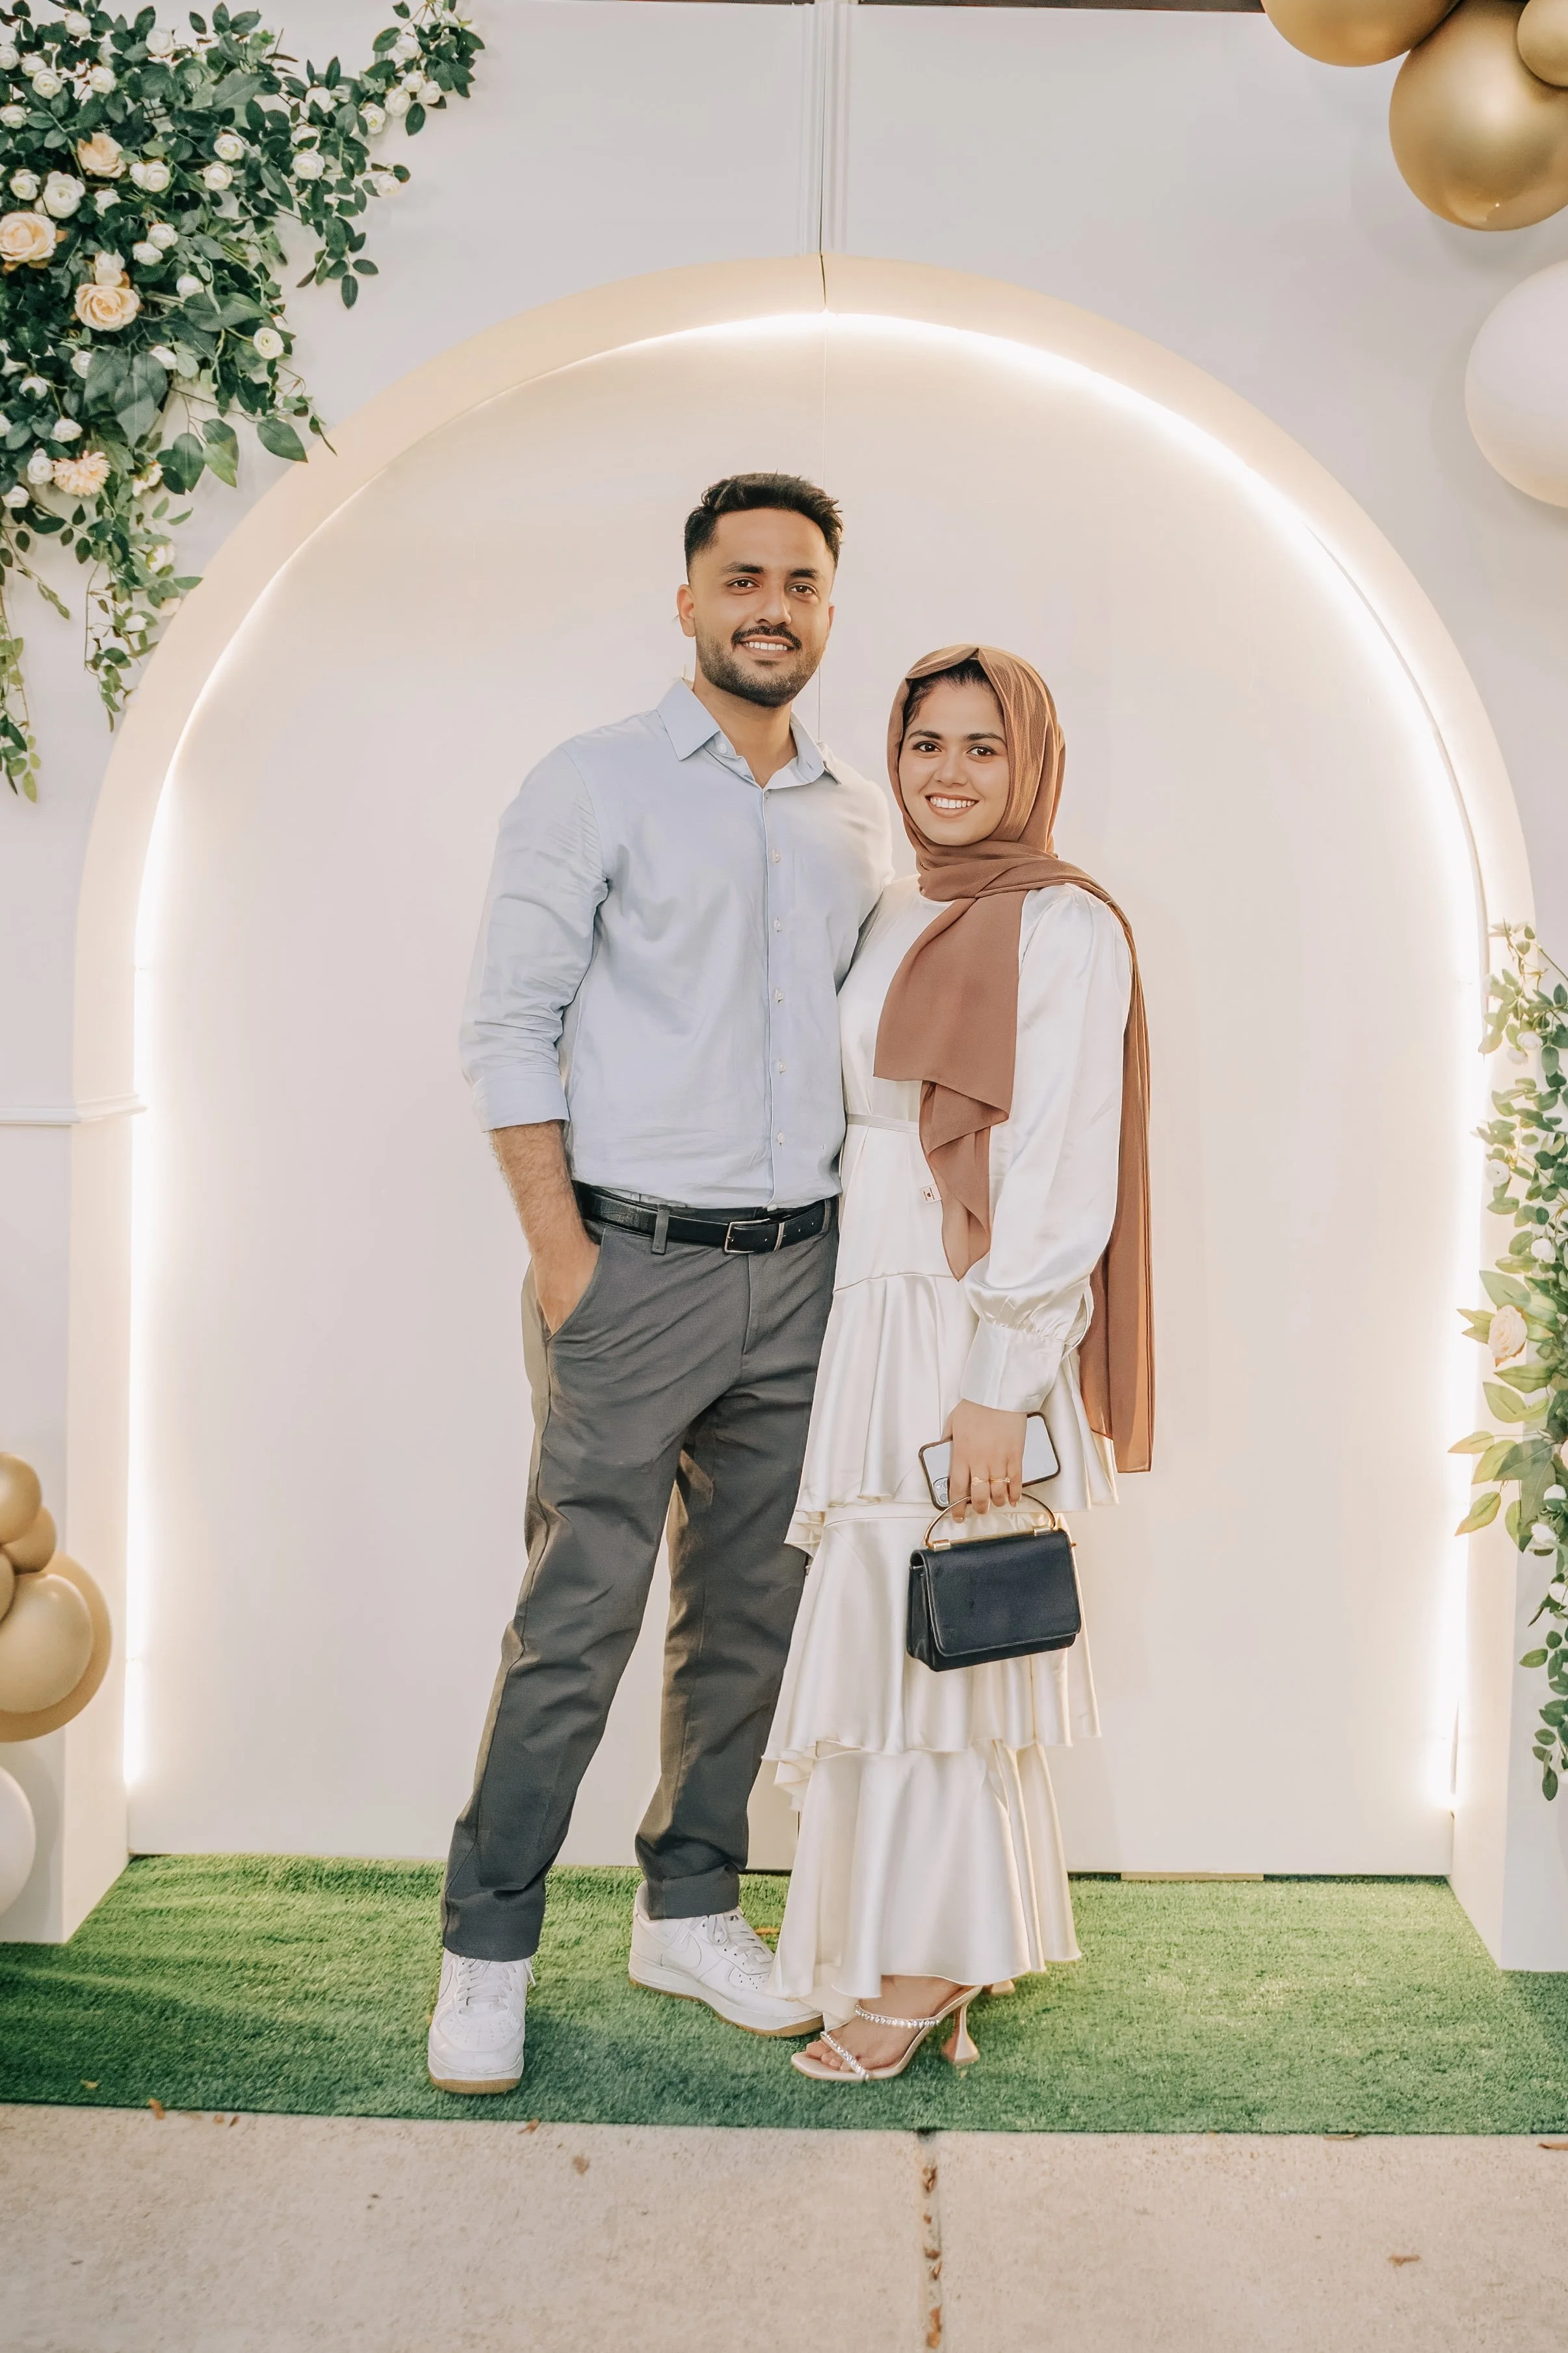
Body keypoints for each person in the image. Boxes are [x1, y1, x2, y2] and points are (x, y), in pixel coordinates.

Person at [426, 473, 891, 2094]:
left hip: (805, 1274)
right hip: (628, 1267)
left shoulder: (854, 814)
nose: (775, 605)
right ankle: (486, 1949)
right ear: (688, 602)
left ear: (831, 610)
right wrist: (567, 1263)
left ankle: (689, 1907)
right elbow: (506, 1029)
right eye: (744, 576)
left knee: (748, 1619)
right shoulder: (595, 784)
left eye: (805, 583)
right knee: (576, 1621)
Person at [763, 644, 1153, 2083]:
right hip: (878, 1303)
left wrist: (1002, 1377)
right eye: (926, 741)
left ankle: (927, 1966)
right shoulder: (899, 904)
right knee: (894, 1637)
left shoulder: (1060, 926)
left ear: (1032, 762)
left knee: (945, 1645)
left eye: (984, 747)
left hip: (966, 1316)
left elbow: (1058, 1173)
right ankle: (900, 1944)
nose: (948, 771)